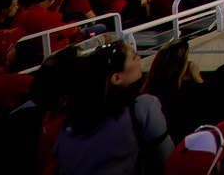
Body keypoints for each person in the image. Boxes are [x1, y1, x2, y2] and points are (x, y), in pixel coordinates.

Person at [53, 41, 172, 175]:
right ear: (116, 78)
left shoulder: (68, 123)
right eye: (133, 57)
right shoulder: (143, 106)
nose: (139, 58)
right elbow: (168, 160)